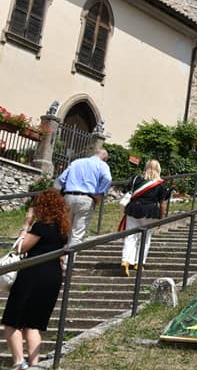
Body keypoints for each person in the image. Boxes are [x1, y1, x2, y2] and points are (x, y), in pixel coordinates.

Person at [2, 188, 70, 370]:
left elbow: (20, 248)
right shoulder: (62, 230)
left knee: (11, 322)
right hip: (52, 277)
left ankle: (18, 362)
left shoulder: (41, 227)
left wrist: (26, 223)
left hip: (33, 275)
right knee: (32, 325)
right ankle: (35, 365)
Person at [119, 159, 170, 277]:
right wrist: (161, 219)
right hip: (150, 211)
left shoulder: (136, 179)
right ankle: (139, 262)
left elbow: (126, 191)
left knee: (130, 236)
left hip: (133, 209)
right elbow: (163, 203)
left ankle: (125, 260)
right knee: (145, 238)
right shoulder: (161, 184)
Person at [56, 148, 112, 246]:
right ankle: (68, 260)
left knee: (64, 230)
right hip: (87, 198)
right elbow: (107, 178)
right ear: (104, 158)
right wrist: (100, 193)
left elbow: (61, 179)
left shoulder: (76, 162)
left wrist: (68, 187)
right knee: (77, 234)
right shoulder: (102, 165)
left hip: (69, 196)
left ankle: (56, 257)